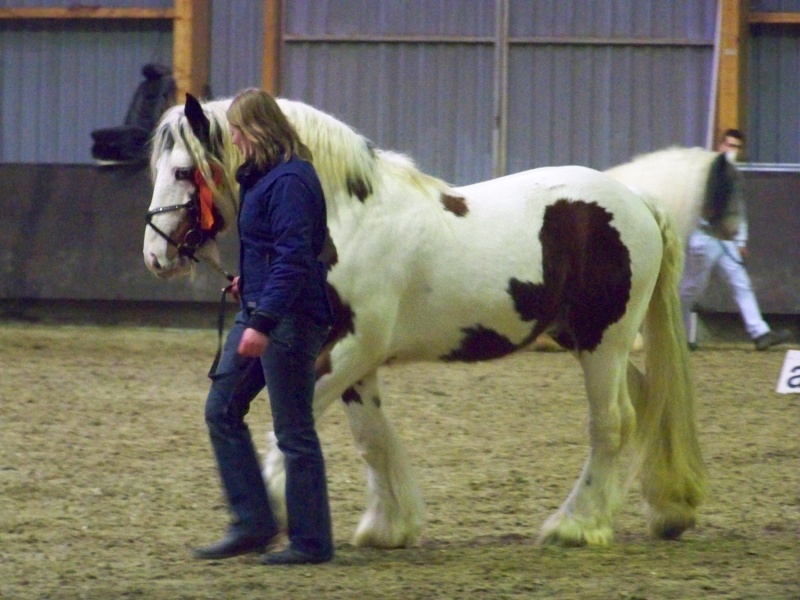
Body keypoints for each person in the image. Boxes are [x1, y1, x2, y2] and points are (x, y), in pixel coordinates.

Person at [193, 88, 335, 565]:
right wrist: (247, 282)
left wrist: (264, 321)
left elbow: (296, 258)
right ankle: (253, 523)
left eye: (237, 129)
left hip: (287, 320)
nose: (233, 137)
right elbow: (274, 251)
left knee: (294, 432)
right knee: (221, 409)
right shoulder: (264, 177)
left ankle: (311, 543)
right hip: (262, 308)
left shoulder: (292, 181)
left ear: (258, 130)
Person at [681, 128, 791, 351]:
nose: (731, 150)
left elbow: (737, 211)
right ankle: (676, 334)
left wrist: (740, 241)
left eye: (736, 147)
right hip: (706, 238)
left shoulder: (733, 174)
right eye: (729, 145)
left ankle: (759, 332)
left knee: (741, 284)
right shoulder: (706, 171)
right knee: (691, 289)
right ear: (720, 145)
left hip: (725, 241)